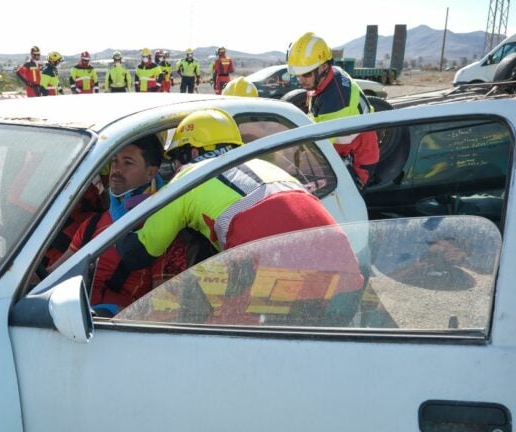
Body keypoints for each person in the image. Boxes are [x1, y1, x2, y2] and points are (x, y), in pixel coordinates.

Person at [116, 108, 341, 269]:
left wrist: (115, 216)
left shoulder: (190, 177)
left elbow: (138, 254)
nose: (175, 167)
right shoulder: (265, 166)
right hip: (344, 265)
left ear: (192, 153)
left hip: (283, 278)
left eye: (176, 158)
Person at [49, 135, 187, 315]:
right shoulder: (94, 223)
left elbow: (166, 312)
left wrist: (116, 313)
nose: (116, 169)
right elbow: (53, 275)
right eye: (115, 161)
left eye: (128, 162)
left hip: (119, 333)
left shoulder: (163, 231)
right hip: (72, 322)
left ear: (151, 173)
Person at [287, 32, 379, 190]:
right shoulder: (326, 76)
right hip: (345, 148)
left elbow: (318, 149)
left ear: (323, 66)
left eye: (306, 74)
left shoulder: (335, 101)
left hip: (358, 162)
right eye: (297, 74)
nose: (301, 80)